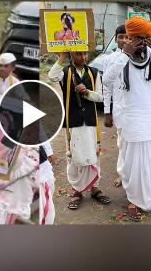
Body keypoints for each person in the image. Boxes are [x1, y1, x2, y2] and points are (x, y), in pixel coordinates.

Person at [103, 16, 151, 221]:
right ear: (129, 38)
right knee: (131, 165)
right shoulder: (115, 59)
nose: (140, 43)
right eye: (136, 39)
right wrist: (125, 54)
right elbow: (106, 80)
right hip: (130, 121)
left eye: (144, 39)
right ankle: (134, 200)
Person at [48, 49, 110, 210]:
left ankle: (94, 187)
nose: (82, 57)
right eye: (78, 54)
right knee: (73, 156)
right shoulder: (65, 72)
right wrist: (62, 58)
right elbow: (51, 76)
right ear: (71, 55)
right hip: (73, 121)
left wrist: (87, 92)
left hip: (90, 121)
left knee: (94, 153)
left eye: (84, 54)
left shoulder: (94, 72)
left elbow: (100, 96)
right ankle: (76, 190)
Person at [99, 25, 128, 188]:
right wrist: (107, 112)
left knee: (133, 143)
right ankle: (123, 175)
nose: (124, 40)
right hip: (119, 109)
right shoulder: (109, 59)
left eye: (127, 37)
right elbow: (106, 88)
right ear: (116, 38)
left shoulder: (136, 57)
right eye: (121, 36)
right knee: (122, 143)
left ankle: (133, 174)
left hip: (134, 110)